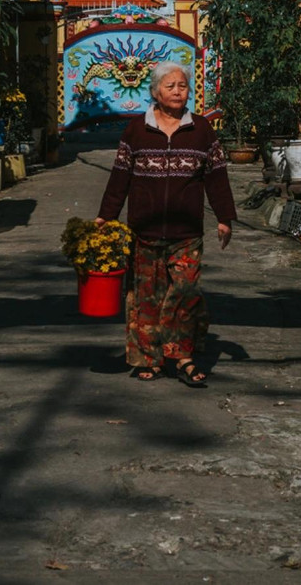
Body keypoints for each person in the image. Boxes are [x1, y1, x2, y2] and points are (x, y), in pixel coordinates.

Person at [96, 61, 237, 387]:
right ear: (156, 92)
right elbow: (120, 177)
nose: (177, 91)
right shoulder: (136, 129)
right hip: (143, 232)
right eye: (171, 86)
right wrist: (106, 216)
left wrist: (225, 217)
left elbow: (216, 177)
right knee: (146, 296)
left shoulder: (201, 130)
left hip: (186, 232)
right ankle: (150, 359)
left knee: (185, 292)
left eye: (183, 86)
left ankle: (183, 354)